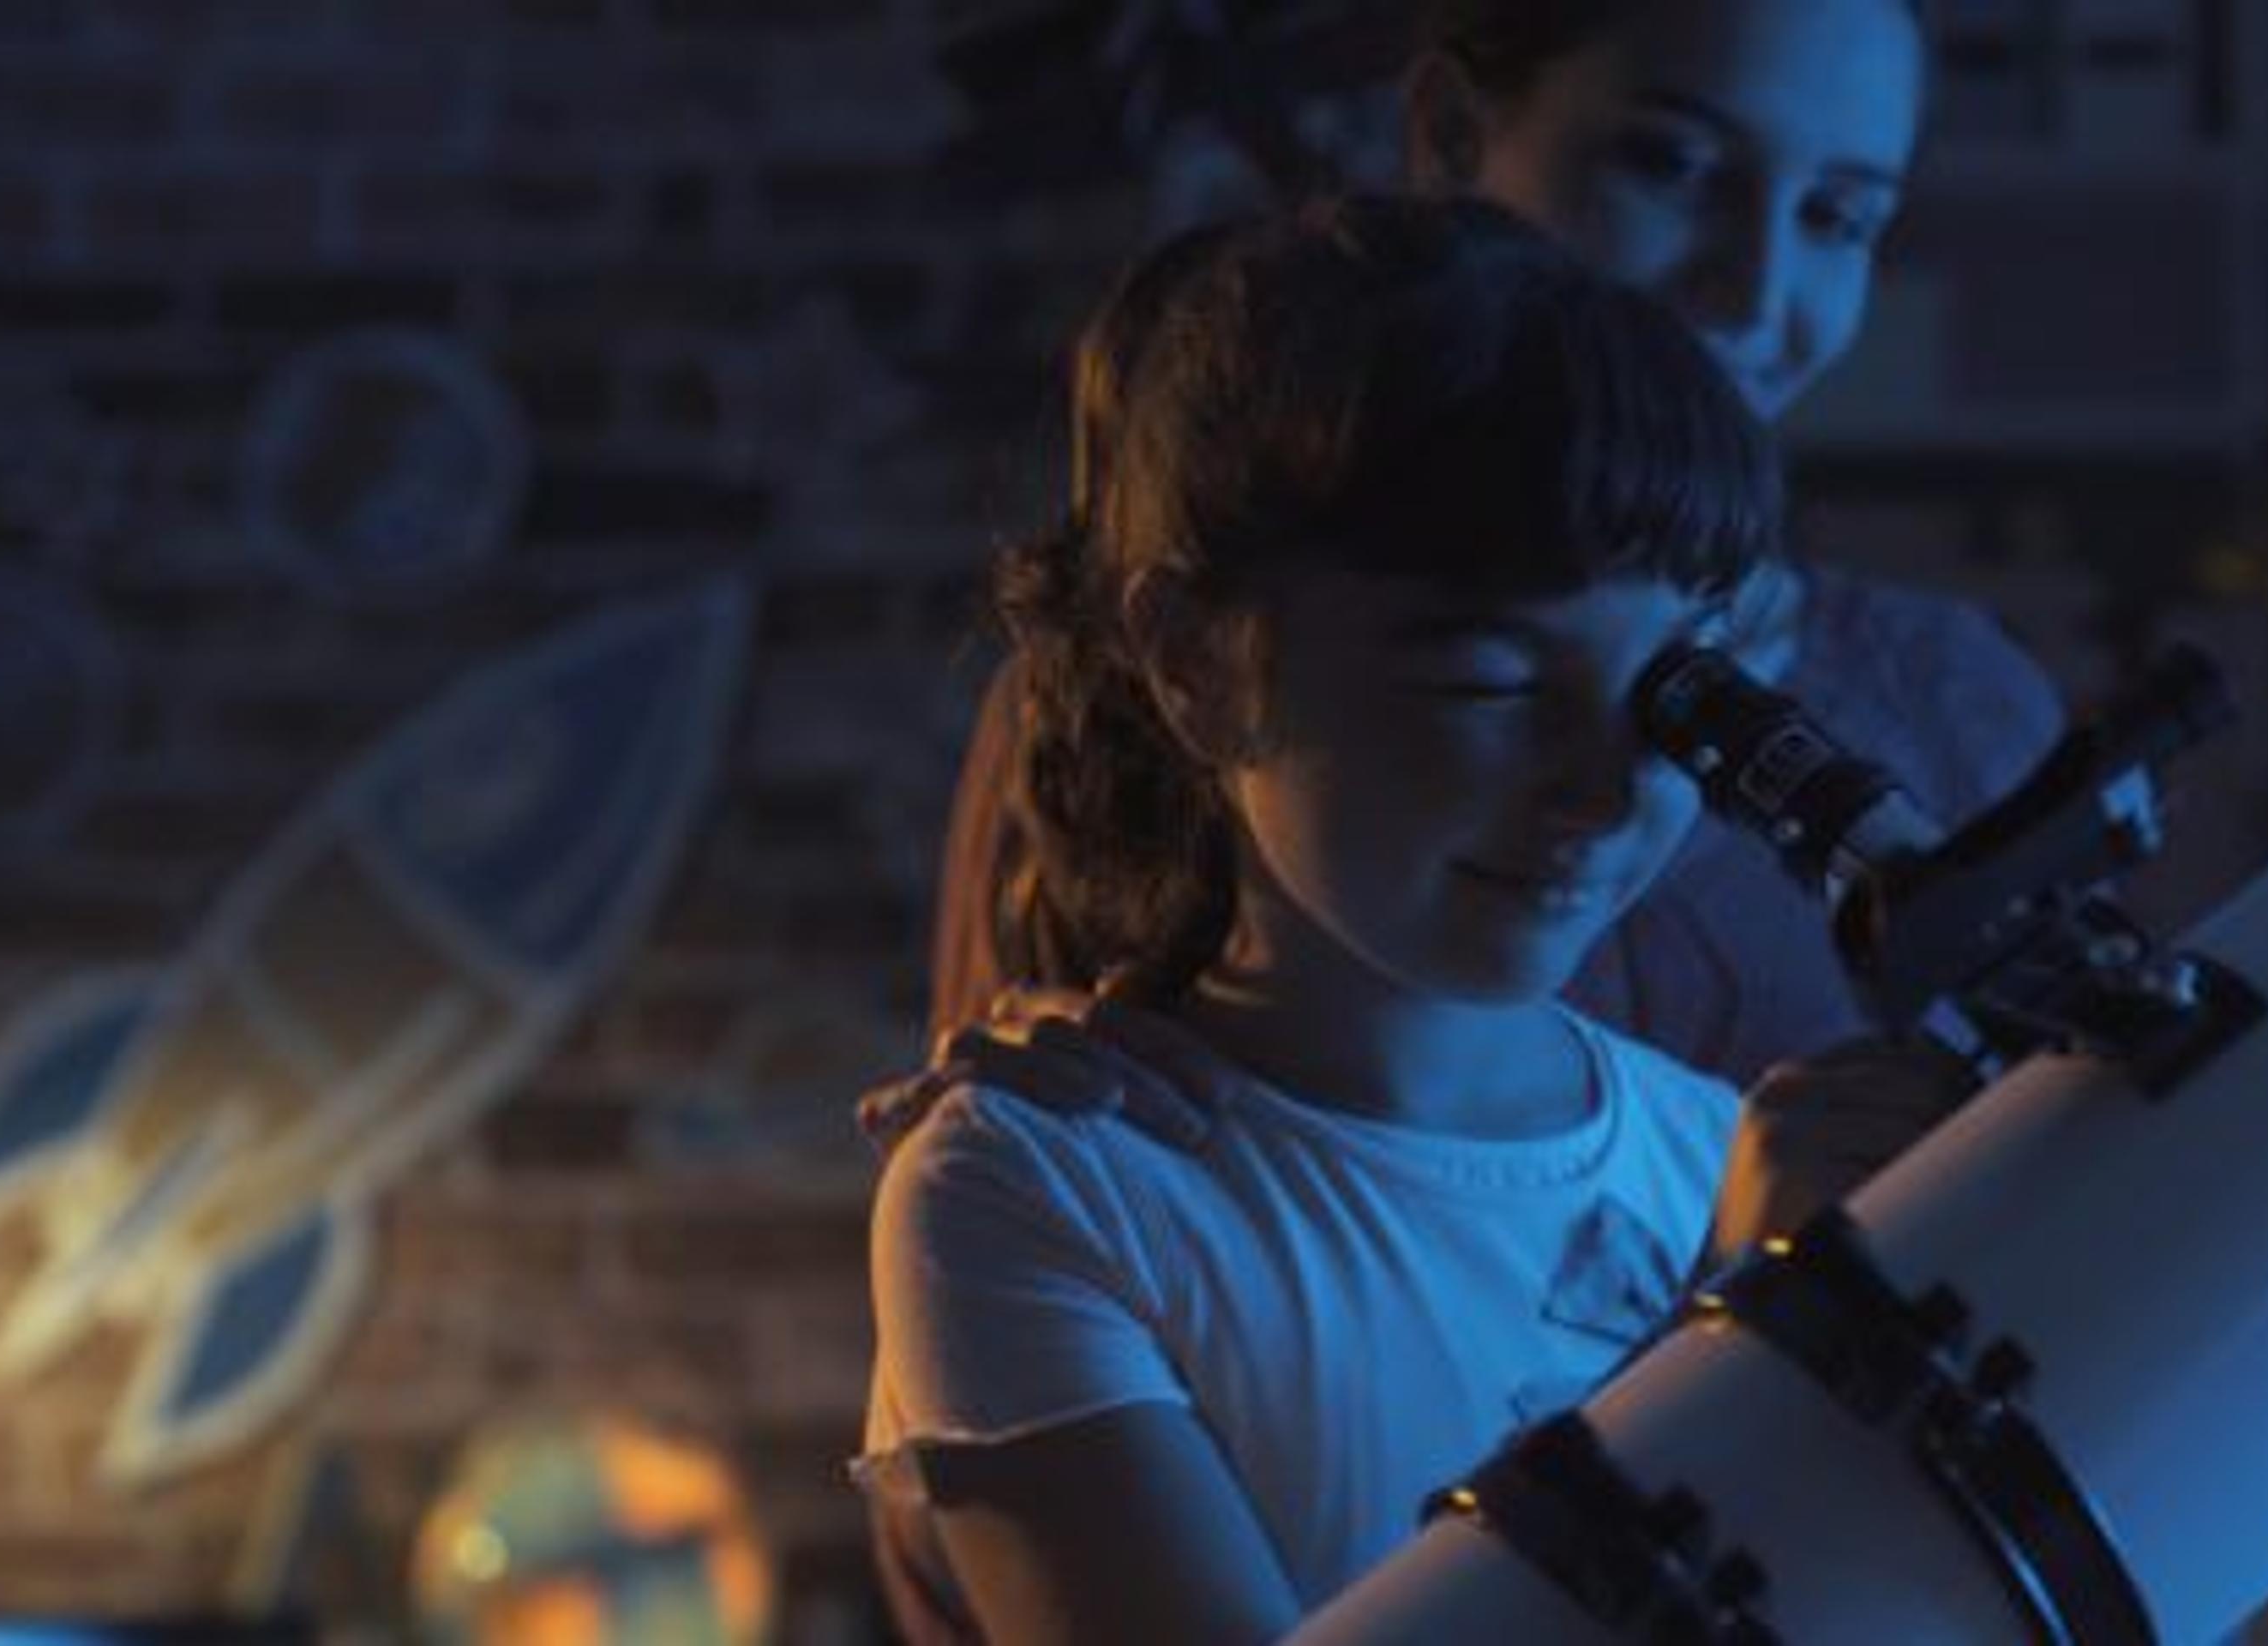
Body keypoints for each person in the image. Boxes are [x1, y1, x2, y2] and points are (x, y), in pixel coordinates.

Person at [859, 195, 1961, 1644]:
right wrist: (1737, 1361)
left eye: (1670, 692)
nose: (1602, 790)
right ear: (1195, 660)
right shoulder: (1050, 1196)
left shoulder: (1717, 1155)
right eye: (1492, 686)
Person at [927, 0, 2071, 1087]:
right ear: (1453, 134)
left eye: (1838, 217)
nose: (1757, 288)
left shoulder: (1955, 715)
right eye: (1669, 165)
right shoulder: (1136, 695)